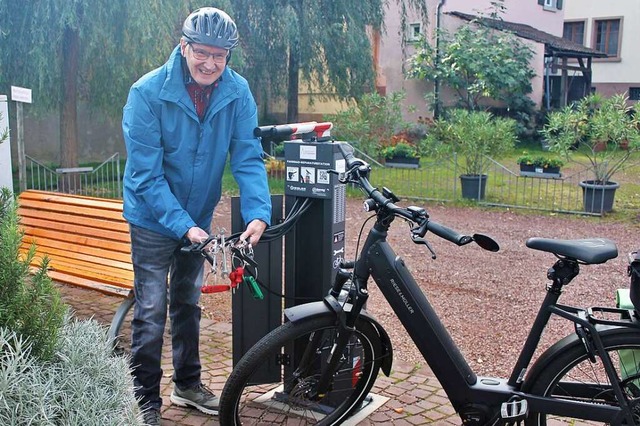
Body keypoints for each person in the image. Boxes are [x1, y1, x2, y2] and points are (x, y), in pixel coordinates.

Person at [121, 7, 271, 425]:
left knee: (188, 304)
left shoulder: (238, 92)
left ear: (229, 56)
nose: (209, 63)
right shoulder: (147, 92)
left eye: (219, 55)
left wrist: (258, 211)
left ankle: (187, 384)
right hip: (152, 219)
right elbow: (147, 178)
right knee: (151, 311)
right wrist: (187, 228)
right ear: (184, 46)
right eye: (201, 52)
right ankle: (144, 399)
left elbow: (247, 155)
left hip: (197, 220)